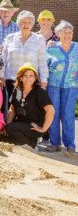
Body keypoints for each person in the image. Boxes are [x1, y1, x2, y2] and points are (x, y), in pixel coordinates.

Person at [1, 10, 49, 111]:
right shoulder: (10, 38)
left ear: (32, 24)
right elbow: (3, 60)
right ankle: (11, 126)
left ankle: (26, 127)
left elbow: (42, 62)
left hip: (30, 81)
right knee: (13, 106)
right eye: (23, 22)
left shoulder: (39, 39)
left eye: (29, 22)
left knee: (29, 108)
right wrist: (1, 76)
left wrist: (44, 81)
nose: (26, 25)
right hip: (12, 80)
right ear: (18, 23)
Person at [3, 64, 54, 149]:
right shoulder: (18, 90)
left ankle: (31, 145)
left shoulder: (39, 92)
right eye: (25, 76)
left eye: (31, 76)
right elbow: (12, 109)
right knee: (3, 137)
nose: (28, 78)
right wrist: (5, 127)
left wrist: (43, 129)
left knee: (10, 128)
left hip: (35, 126)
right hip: (21, 124)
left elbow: (51, 110)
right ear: (20, 78)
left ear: (35, 78)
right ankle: (27, 142)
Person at [45, 21, 77, 153]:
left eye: (70, 32)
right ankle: (55, 143)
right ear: (57, 34)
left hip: (71, 86)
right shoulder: (51, 48)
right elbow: (44, 68)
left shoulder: (77, 48)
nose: (67, 35)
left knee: (68, 115)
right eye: (64, 32)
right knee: (53, 113)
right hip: (53, 86)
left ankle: (70, 145)